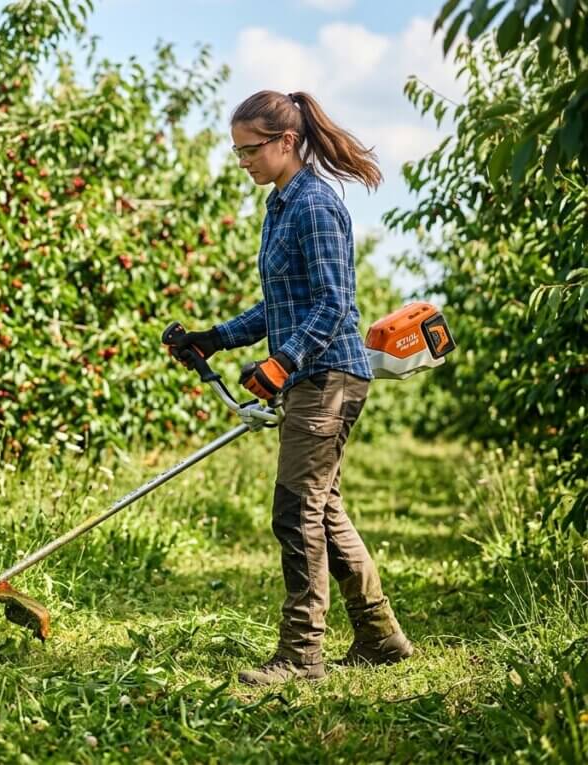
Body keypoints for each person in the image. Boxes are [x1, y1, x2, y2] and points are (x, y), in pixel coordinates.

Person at [168, 90, 413, 686]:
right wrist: (215, 338)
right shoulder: (279, 206)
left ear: (285, 142)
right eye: (236, 152)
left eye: (250, 149)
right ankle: (381, 637)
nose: (243, 160)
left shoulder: (316, 206)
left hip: (329, 377)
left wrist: (281, 364)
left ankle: (302, 655)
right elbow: (280, 304)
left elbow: (333, 305)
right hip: (311, 375)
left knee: (296, 509)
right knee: (324, 511)